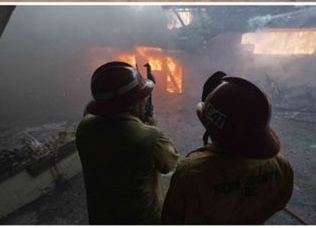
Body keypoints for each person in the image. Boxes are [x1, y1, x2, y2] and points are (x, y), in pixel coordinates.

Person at [162, 77, 293, 224]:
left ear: (211, 125)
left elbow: (173, 218)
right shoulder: (281, 165)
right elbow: (278, 204)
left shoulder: (192, 172)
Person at [75, 61, 179, 224]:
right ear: (131, 103)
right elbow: (169, 164)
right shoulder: (150, 138)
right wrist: (151, 126)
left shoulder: (84, 128)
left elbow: (92, 114)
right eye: (141, 98)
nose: (144, 102)